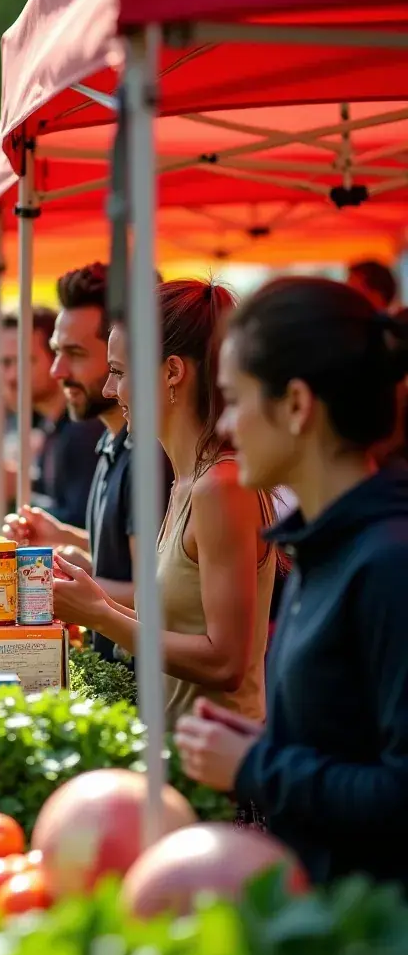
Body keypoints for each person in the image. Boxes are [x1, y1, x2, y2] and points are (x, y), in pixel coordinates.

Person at [176, 277, 408, 890]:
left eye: (234, 398)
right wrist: (264, 741)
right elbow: (347, 742)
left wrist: (258, 762)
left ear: (298, 406)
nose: (225, 421)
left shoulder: (387, 563)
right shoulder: (319, 546)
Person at [51, 278, 276, 730]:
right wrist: (99, 603)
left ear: (172, 372)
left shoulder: (220, 487)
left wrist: (99, 615)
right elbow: (183, 630)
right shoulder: (188, 480)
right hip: (181, 758)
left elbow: (224, 663)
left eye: (119, 371)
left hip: (219, 780)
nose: (111, 390)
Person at [3, 263, 172, 662]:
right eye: (57, 353)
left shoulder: (150, 454)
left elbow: (158, 594)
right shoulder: (113, 441)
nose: (58, 370)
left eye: (74, 354)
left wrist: (63, 584)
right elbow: (131, 563)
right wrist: (63, 538)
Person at [0, 308, 104, 527]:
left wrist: (16, 491)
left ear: (56, 360)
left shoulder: (83, 430)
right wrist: (23, 483)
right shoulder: (52, 425)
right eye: (5, 363)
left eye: (26, 361)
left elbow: (81, 523)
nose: (12, 376)